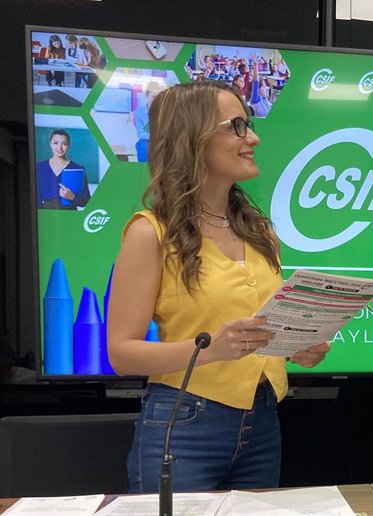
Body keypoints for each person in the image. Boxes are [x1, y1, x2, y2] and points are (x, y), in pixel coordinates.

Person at [106, 80, 330, 493]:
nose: (254, 138)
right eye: (238, 126)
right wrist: (209, 348)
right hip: (184, 423)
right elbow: (121, 354)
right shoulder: (149, 233)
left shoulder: (261, 231)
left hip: (263, 421)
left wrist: (299, 347)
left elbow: (263, 333)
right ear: (192, 139)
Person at [36, 129, 91, 209]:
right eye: (55, 143)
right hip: (46, 216)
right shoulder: (39, 168)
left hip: (69, 217)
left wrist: (72, 197)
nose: (60, 147)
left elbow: (86, 200)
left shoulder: (78, 169)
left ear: (69, 145)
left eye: (64, 144)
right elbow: (35, 197)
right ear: (50, 144)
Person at [133, 81, 162, 162]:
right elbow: (141, 134)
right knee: (143, 144)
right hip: (148, 142)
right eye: (153, 97)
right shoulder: (139, 112)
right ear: (147, 96)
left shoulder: (163, 111)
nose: (156, 100)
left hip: (160, 141)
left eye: (158, 97)